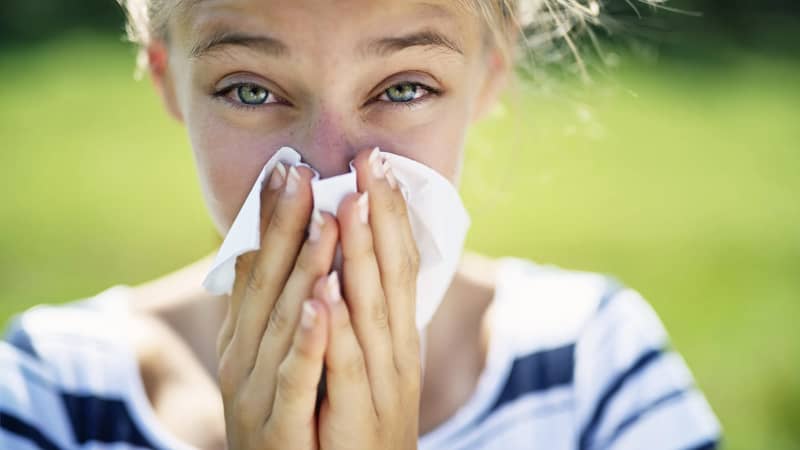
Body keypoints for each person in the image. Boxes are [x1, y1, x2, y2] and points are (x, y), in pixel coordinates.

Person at [0, 1, 722, 449]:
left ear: (489, 74)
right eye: (251, 91)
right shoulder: (48, 395)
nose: (329, 178)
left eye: (404, 89)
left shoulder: (597, 373)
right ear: (166, 78)